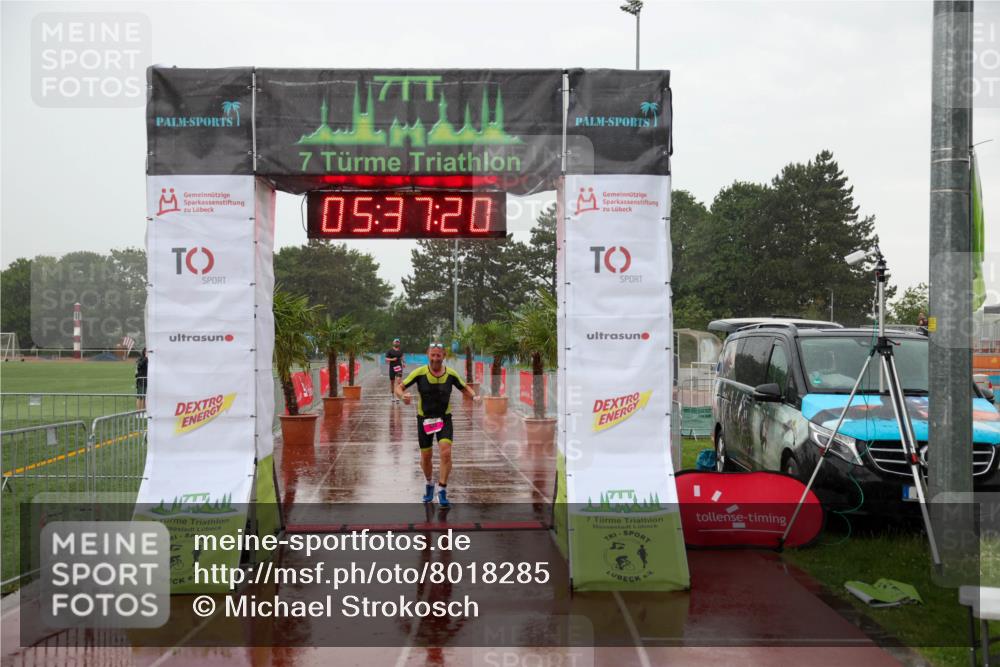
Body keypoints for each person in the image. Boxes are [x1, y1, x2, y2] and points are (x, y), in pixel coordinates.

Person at [395, 342, 479, 507]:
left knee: (446, 453)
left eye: (438, 355)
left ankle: (442, 489)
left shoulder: (451, 374)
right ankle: (429, 483)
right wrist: (402, 396)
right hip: (424, 419)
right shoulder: (419, 373)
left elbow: (465, 388)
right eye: (432, 355)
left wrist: (475, 397)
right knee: (426, 457)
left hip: (444, 418)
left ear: (443, 356)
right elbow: (399, 387)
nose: (435, 359)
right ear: (428, 355)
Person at [386, 338, 405, 402]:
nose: (397, 343)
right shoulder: (389, 351)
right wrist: (392, 359)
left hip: (399, 367)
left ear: (399, 343)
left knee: (398, 381)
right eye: (396, 342)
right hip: (392, 368)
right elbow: (386, 359)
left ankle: (397, 396)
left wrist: (404, 363)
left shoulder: (401, 351)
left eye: (398, 342)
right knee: (392, 382)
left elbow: (402, 357)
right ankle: (392, 396)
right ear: (393, 343)